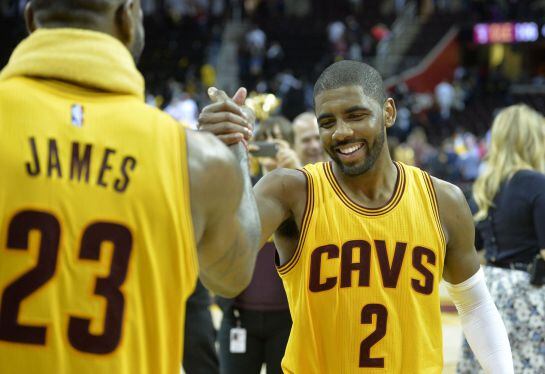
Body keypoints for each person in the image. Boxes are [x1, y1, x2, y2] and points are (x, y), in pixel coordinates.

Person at [199, 60, 513, 373]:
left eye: (356, 115)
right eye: (327, 122)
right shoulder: (291, 190)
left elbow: (475, 305)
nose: (342, 132)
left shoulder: (443, 200)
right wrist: (232, 153)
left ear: (388, 112)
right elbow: (223, 276)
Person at [0, 1, 261, 373]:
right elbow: (233, 274)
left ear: (31, 20)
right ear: (127, 15)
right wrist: (236, 147)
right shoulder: (194, 159)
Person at [458, 104, 545, 374]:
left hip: (488, 291)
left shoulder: (484, 188)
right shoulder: (538, 184)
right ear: (535, 139)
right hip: (529, 293)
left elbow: (475, 250)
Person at [217, 115, 299, 374]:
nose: (270, 147)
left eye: (278, 141)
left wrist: (296, 168)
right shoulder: (239, 187)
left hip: (289, 318)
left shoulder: (307, 190)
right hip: (239, 315)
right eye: (263, 141)